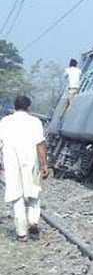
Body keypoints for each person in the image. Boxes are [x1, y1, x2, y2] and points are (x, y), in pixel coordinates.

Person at [0, 95, 50, 241]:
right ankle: (33, 221)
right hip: (31, 162)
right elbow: (40, 144)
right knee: (33, 191)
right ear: (28, 107)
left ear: (14, 106)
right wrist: (45, 164)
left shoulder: (4, 122)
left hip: (11, 162)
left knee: (16, 195)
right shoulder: (35, 122)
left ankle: (22, 232)